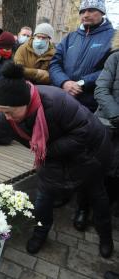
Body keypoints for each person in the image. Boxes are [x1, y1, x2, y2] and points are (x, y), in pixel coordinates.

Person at [0, 62, 114, 258]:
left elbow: (85, 132)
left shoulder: (56, 101)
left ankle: (105, 237)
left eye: (10, 112)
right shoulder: (7, 117)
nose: (7, 117)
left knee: (97, 197)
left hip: (88, 155)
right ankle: (40, 232)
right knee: (43, 200)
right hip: (50, 159)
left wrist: (48, 150)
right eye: (2, 112)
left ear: (26, 103)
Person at [49, 0, 115, 232]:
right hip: (64, 103)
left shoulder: (112, 37)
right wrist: (64, 82)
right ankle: (63, 191)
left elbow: (110, 69)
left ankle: (83, 207)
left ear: (101, 13)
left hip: (89, 106)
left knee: (86, 157)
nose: (86, 14)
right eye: (83, 11)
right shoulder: (69, 38)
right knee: (61, 150)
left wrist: (82, 83)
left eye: (91, 10)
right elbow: (54, 64)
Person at [94, 31, 119, 216]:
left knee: (114, 173)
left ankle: (104, 211)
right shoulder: (115, 58)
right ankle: (83, 208)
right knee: (95, 168)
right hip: (107, 124)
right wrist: (116, 115)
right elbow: (101, 89)